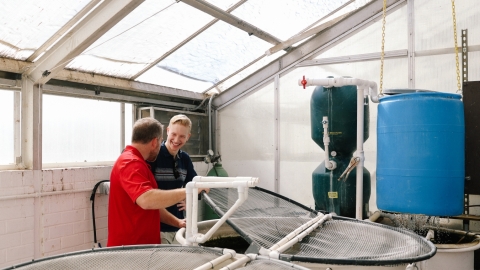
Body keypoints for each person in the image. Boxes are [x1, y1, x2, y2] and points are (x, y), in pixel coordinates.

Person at [107, 117, 206, 247]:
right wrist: (191, 190)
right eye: (160, 142)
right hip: (131, 247)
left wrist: (177, 222)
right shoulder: (131, 163)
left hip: (143, 244)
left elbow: (153, 206)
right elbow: (147, 200)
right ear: (155, 142)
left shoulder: (140, 163)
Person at [148, 114, 198, 244]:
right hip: (157, 226)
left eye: (182, 136)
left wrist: (189, 201)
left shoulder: (185, 159)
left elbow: (196, 186)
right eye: (174, 134)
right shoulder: (155, 155)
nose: (176, 140)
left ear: (188, 137)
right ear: (167, 131)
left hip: (179, 227)